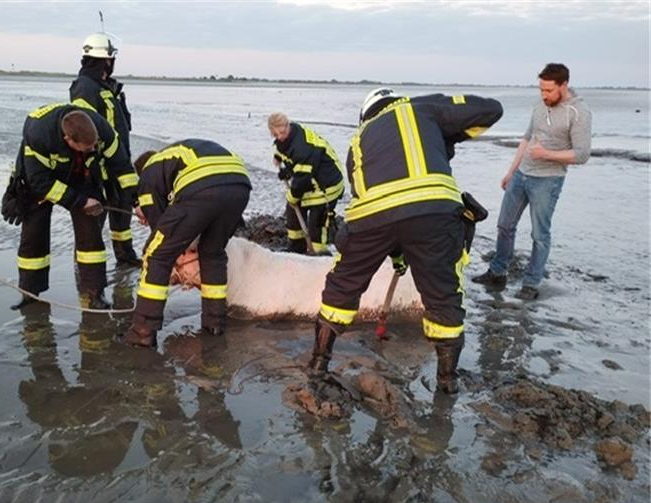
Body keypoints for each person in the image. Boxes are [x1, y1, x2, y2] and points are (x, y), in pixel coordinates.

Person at [309, 88, 503, 394]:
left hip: (370, 217)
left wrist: (391, 251)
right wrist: (447, 135)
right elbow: (491, 108)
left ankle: (319, 362)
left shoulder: (357, 141)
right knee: (443, 295)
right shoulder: (424, 107)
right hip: (433, 211)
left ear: (366, 115)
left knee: (342, 286)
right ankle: (447, 382)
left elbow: (373, 206)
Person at [472, 63, 592, 300]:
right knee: (505, 225)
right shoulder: (539, 106)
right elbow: (527, 139)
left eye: (548, 90)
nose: (544, 95)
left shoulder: (578, 112)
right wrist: (511, 171)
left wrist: (547, 155)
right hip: (521, 175)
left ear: (564, 85)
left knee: (540, 234)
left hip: (548, 181)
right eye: (541, 90)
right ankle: (498, 272)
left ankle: (531, 283)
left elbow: (582, 154)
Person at [2, 104, 136, 310]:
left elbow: (123, 167)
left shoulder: (104, 132)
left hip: (81, 175)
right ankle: (30, 292)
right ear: (68, 140)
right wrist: (80, 202)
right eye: (87, 147)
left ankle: (94, 293)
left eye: (94, 145)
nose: (93, 149)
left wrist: (137, 201)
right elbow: (40, 182)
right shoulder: (38, 134)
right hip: (42, 178)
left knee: (91, 235)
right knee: (33, 234)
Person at [125, 139, 251, 347]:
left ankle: (142, 331)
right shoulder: (173, 158)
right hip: (239, 184)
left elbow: (159, 228)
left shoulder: (147, 175)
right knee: (213, 253)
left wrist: (145, 210)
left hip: (203, 186)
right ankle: (214, 323)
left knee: (157, 254)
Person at [70, 31, 141, 267]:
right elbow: (84, 127)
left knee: (121, 213)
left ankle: (125, 257)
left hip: (117, 162)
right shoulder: (85, 87)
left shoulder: (107, 87)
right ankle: (86, 267)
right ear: (106, 60)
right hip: (98, 167)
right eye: (111, 58)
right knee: (93, 219)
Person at [267, 113, 344, 254]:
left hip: (326, 186)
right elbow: (283, 150)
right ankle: (297, 248)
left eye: (282, 133)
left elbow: (302, 180)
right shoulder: (289, 137)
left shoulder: (303, 147)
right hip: (310, 179)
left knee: (316, 225)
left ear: (288, 125)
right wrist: (282, 163)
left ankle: (320, 254)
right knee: (293, 212)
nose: (280, 137)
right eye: (275, 135)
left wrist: (292, 196)